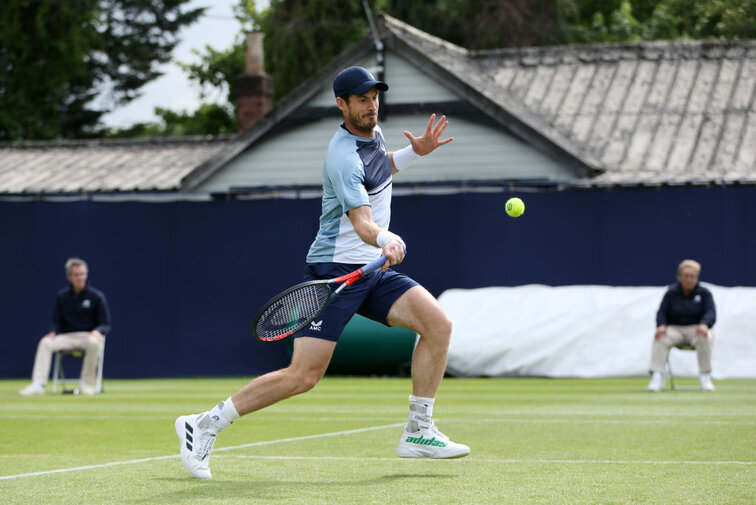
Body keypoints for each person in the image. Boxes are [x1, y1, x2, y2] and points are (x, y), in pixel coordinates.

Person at [175, 66, 469, 479]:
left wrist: (413, 152)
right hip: (338, 273)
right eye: (362, 99)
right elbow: (364, 222)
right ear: (341, 104)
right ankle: (203, 424)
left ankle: (418, 430)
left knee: (438, 324)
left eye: (374, 97)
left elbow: (380, 168)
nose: (372, 105)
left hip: (373, 270)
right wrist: (386, 238)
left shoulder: (372, 135)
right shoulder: (342, 157)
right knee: (303, 376)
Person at [19, 257, 111, 396]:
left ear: (86, 275)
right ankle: (38, 384)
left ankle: (85, 384)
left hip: (88, 336)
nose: (79, 277)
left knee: (94, 343)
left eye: (82, 274)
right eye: (76, 274)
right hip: (67, 336)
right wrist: (53, 332)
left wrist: (97, 331)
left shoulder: (96, 297)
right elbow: (56, 320)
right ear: (69, 276)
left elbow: (105, 324)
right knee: (45, 342)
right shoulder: (62, 297)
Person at [647, 259, 716, 392]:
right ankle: (657, 377)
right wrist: (661, 325)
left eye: (692, 276)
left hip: (697, 328)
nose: (689, 279)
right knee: (660, 337)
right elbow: (661, 312)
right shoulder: (671, 293)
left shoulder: (704, 293)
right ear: (679, 277)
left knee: (705, 336)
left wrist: (704, 324)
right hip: (675, 329)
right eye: (686, 276)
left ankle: (705, 377)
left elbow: (711, 313)